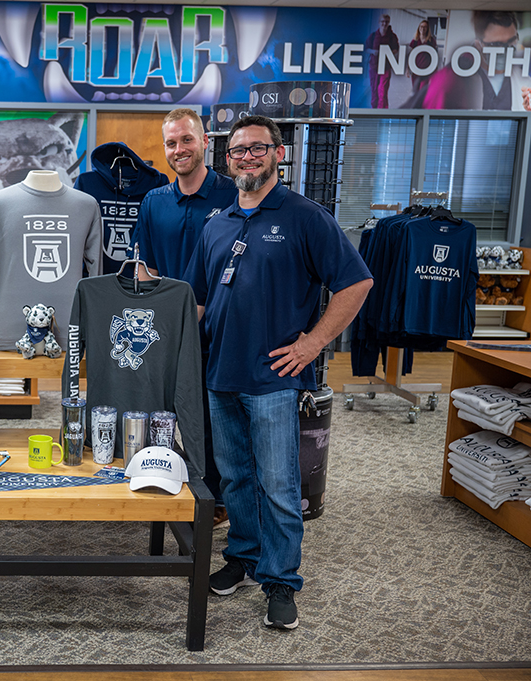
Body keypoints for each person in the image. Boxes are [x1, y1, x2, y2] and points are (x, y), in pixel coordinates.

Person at [185, 115, 373, 630]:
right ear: (227, 159)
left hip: (272, 380)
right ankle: (243, 558)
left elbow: (356, 283)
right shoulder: (217, 223)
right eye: (237, 151)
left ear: (278, 154)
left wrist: (313, 344)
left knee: (279, 485)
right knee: (236, 479)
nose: (246, 157)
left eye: (256, 149)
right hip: (219, 375)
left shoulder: (304, 217)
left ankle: (281, 582)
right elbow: (200, 303)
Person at [129, 108, 237, 526]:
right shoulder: (155, 201)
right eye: (171, 143)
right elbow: (145, 267)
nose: (179, 150)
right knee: (161, 410)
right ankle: (160, 480)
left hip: (218, 328)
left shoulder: (232, 195)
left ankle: (217, 501)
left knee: (212, 416)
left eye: (187, 140)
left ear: (206, 141)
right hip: (168, 329)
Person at [412, 11, 531, 110]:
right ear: (478, 44)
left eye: (511, 41)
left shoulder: (524, 80)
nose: (505, 50)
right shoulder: (453, 80)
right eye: (496, 44)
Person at [365, 14, 400, 108]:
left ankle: (382, 111)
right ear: (379, 22)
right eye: (382, 21)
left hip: (386, 67)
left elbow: (396, 49)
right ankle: (374, 110)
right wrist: (373, 51)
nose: (384, 23)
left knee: (383, 90)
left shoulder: (392, 36)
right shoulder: (373, 36)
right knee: (374, 90)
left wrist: (388, 53)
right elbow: (366, 48)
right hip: (374, 66)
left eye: (386, 22)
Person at [408, 19, 438, 94]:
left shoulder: (431, 41)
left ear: (427, 29)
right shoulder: (414, 41)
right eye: (421, 26)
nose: (423, 28)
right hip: (415, 70)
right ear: (419, 28)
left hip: (427, 70)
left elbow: (435, 56)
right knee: (415, 90)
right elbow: (410, 55)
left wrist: (435, 70)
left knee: (423, 90)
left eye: (425, 27)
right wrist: (407, 69)